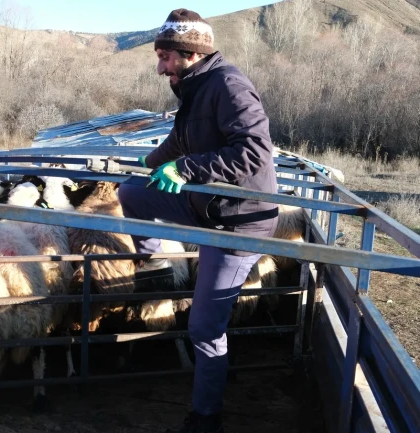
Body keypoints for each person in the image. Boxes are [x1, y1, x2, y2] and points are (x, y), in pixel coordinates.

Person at [117, 9, 278, 433]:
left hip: (239, 219)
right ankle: (153, 270)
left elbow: (256, 152)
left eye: (164, 57)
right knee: (131, 193)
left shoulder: (228, 84)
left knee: (205, 327)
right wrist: (148, 163)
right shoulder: (194, 87)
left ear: (188, 53)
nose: (159, 67)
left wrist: (185, 169)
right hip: (208, 205)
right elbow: (180, 139)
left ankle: (207, 416)